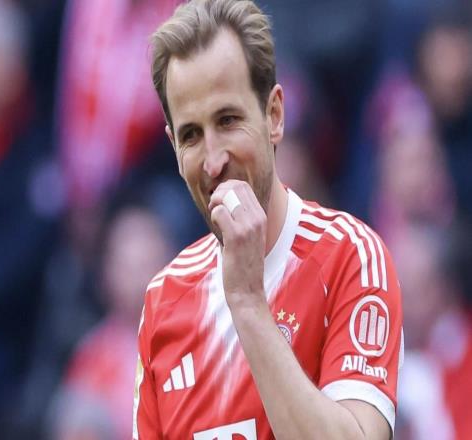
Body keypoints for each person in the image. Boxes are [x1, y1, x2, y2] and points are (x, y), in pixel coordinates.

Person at [133, 1, 403, 438]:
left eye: (228, 120)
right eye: (191, 135)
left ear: (274, 115)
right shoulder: (164, 300)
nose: (213, 160)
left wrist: (248, 303)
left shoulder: (350, 257)